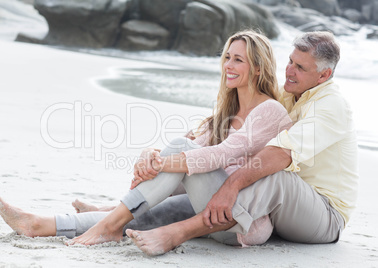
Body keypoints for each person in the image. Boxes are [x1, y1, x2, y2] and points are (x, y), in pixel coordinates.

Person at [0, 30, 291, 247]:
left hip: (242, 222)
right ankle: (40, 225)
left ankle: (109, 217)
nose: (228, 65)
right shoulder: (228, 110)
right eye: (227, 57)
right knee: (139, 215)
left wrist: (160, 162)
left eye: (238, 59)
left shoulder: (270, 111)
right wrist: (151, 156)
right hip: (204, 210)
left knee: (176, 156)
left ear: (258, 67)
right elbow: (195, 149)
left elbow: (221, 155)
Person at [124, 31, 359, 256]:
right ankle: (115, 214)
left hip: (324, 216)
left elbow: (281, 154)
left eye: (300, 67)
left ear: (324, 75)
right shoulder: (288, 93)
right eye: (290, 61)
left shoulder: (331, 106)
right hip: (271, 206)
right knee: (194, 169)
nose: (289, 71)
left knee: (273, 174)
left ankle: (177, 233)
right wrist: (163, 154)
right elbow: (224, 131)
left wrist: (230, 188)